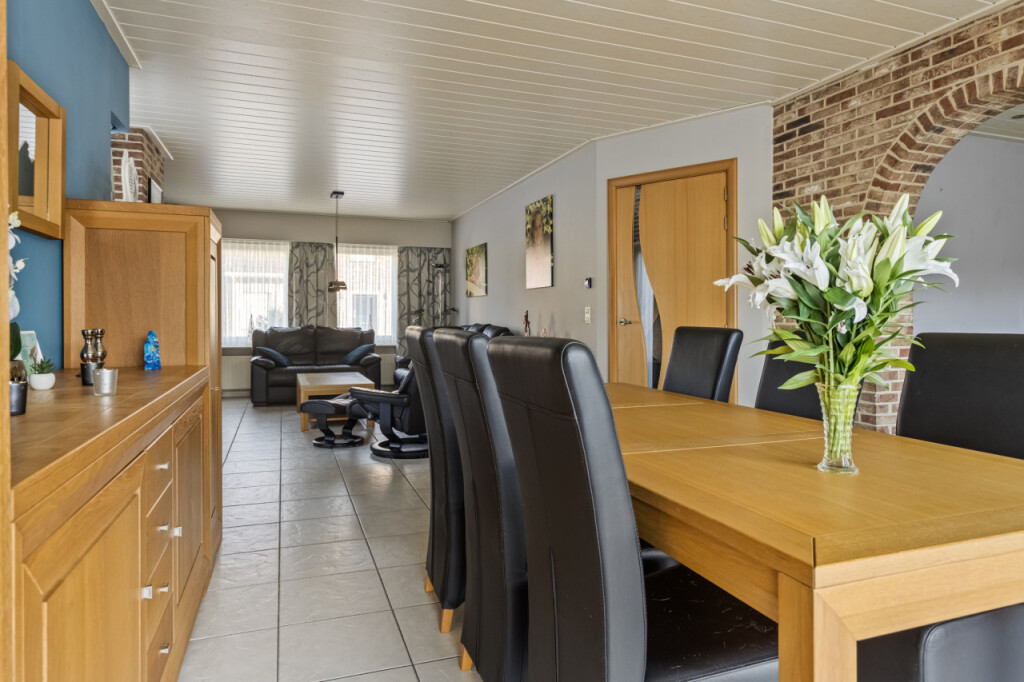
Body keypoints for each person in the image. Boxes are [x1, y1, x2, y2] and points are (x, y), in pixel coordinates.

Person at [525, 207, 552, 288]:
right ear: (532, 230)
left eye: (539, 227)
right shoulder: (528, 253)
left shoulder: (548, 251)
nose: (538, 232)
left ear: (543, 228)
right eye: (535, 228)